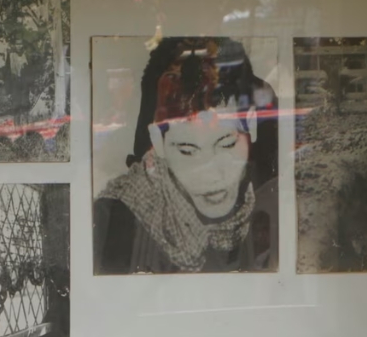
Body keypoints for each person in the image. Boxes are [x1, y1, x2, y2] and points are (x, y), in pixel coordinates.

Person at [93, 37, 279, 275]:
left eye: (227, 144)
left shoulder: (272, 206)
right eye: (187, 150)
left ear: (251, 129)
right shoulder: (118, 218)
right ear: (157, 144)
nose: (211, 174)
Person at [5, 37, 30, 126]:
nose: (19, 46)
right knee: (16, 107)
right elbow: (7, 73)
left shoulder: (27, 55)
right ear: (14, 45)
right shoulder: (10, 56)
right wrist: (8, 91)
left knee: (25, 106)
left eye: (20, 44)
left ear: (23, 45)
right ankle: (17, 130)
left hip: (25, 84)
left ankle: (26, 131)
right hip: (15, 84)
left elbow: (31, 72)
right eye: (17, 44)